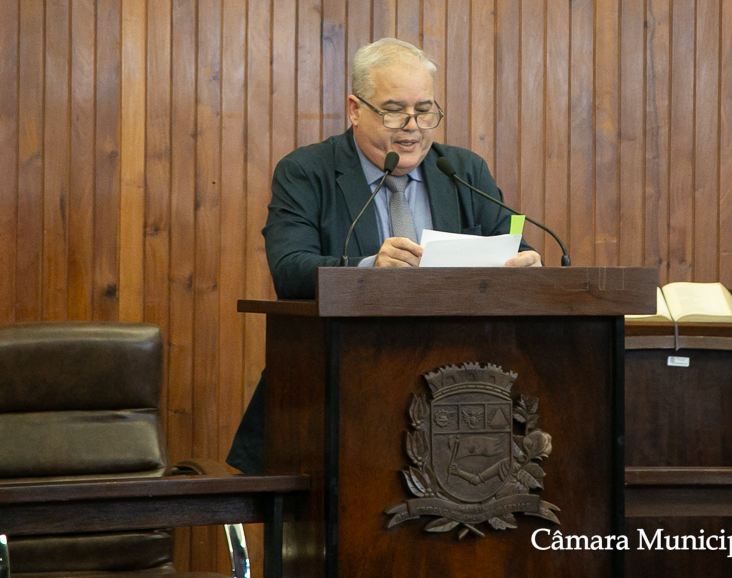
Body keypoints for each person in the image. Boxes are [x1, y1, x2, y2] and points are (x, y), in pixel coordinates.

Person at [226, 38, 541, 473]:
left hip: (454, 395)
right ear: (355, 109)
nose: (413, 127)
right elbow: (289, 269)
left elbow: (513, 244)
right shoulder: (307, 172)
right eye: (394, 110)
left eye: (425, 110)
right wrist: (368, 269)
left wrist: (528, 263)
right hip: (332, 398)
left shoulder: (463, 171)